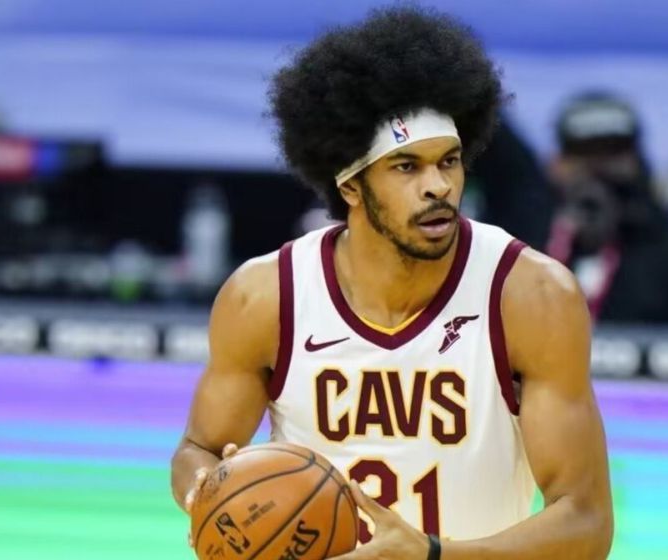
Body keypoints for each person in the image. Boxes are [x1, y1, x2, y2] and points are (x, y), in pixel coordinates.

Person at [171, 7, 613, 560]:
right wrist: (209, 495)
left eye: (448, 162)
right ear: (351, 187)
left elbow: (586, 522)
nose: (438, 186)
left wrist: (432, 554)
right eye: (407, 167)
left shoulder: (530, 296)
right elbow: (199, 448)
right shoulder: (265, 297)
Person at [546, 91, 668, 324]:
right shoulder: (525, 245)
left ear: (639, 164)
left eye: (613, 154)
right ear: (556, 165)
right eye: (584, 155)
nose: (598, 170)